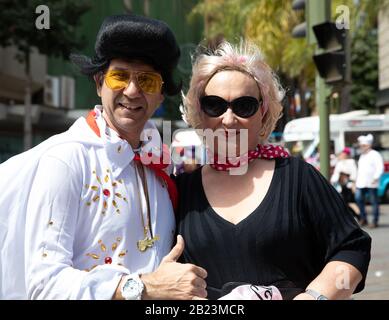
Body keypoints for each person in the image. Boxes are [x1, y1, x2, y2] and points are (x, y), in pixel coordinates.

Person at [0, 14, 207, 300]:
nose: (132, 91)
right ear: (99, 83)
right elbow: (45, 285)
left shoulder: (159, 164)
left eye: (146, 80)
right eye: (119, 76)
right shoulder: (68, 159)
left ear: (160, 94)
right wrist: (145, 287)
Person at [176, 40, 371, 300]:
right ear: (200, 113)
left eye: (244, 106)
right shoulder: (180, 189)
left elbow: (352, 248)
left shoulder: (298, 177)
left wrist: (315, 297)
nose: (229, 119)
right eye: (215, 105)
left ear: (263, 113)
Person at [355, 134, 384, 228]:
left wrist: (376, 177)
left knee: (374, 202)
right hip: (361, 182)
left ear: (369, 145)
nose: (361, 147)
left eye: (363, 145)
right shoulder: (362, 156)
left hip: (372, 182)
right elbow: (359, 170)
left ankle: (374, 221)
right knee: (358, 198)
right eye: (361, 145)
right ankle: (363, 218)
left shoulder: (375, 154)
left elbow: (380, 167)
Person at [330, 147, 359, 219]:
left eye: (343, 154)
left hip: (348, 185)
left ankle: (359, 216)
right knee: (343, 202)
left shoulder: (351, 162)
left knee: (350, 202)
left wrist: (353, 183)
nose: (341, 155)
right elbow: (336, 174)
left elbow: (354, 174)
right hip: (339, 185)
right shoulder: (339, 162)